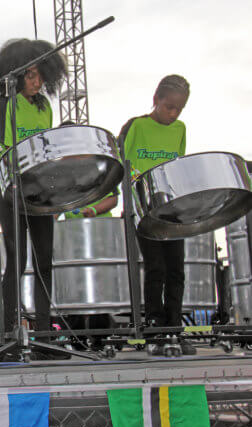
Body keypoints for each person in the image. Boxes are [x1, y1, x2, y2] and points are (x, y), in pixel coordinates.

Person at [0, 39, 67, 359]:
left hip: (41, 192)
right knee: (17, 263)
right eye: (31, 75)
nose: (37, 83)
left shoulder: (44, 107)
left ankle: (45, 336)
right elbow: (5, 149)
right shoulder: (6, 105)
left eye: (41, 76)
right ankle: (10, 335)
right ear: (17, 73)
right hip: (11, 191)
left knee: (44, 262)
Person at [118, 74, 195, 355]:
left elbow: (178, 167)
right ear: (156, 100)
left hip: (172, 211)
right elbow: (122, 166)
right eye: (168, 107)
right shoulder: (136, 126)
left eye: (179, 109)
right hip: (144, 210)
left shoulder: (180, 129)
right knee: (156, 268)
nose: (173, 114)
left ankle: (174, 328)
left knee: (176, 269)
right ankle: (154, 327)